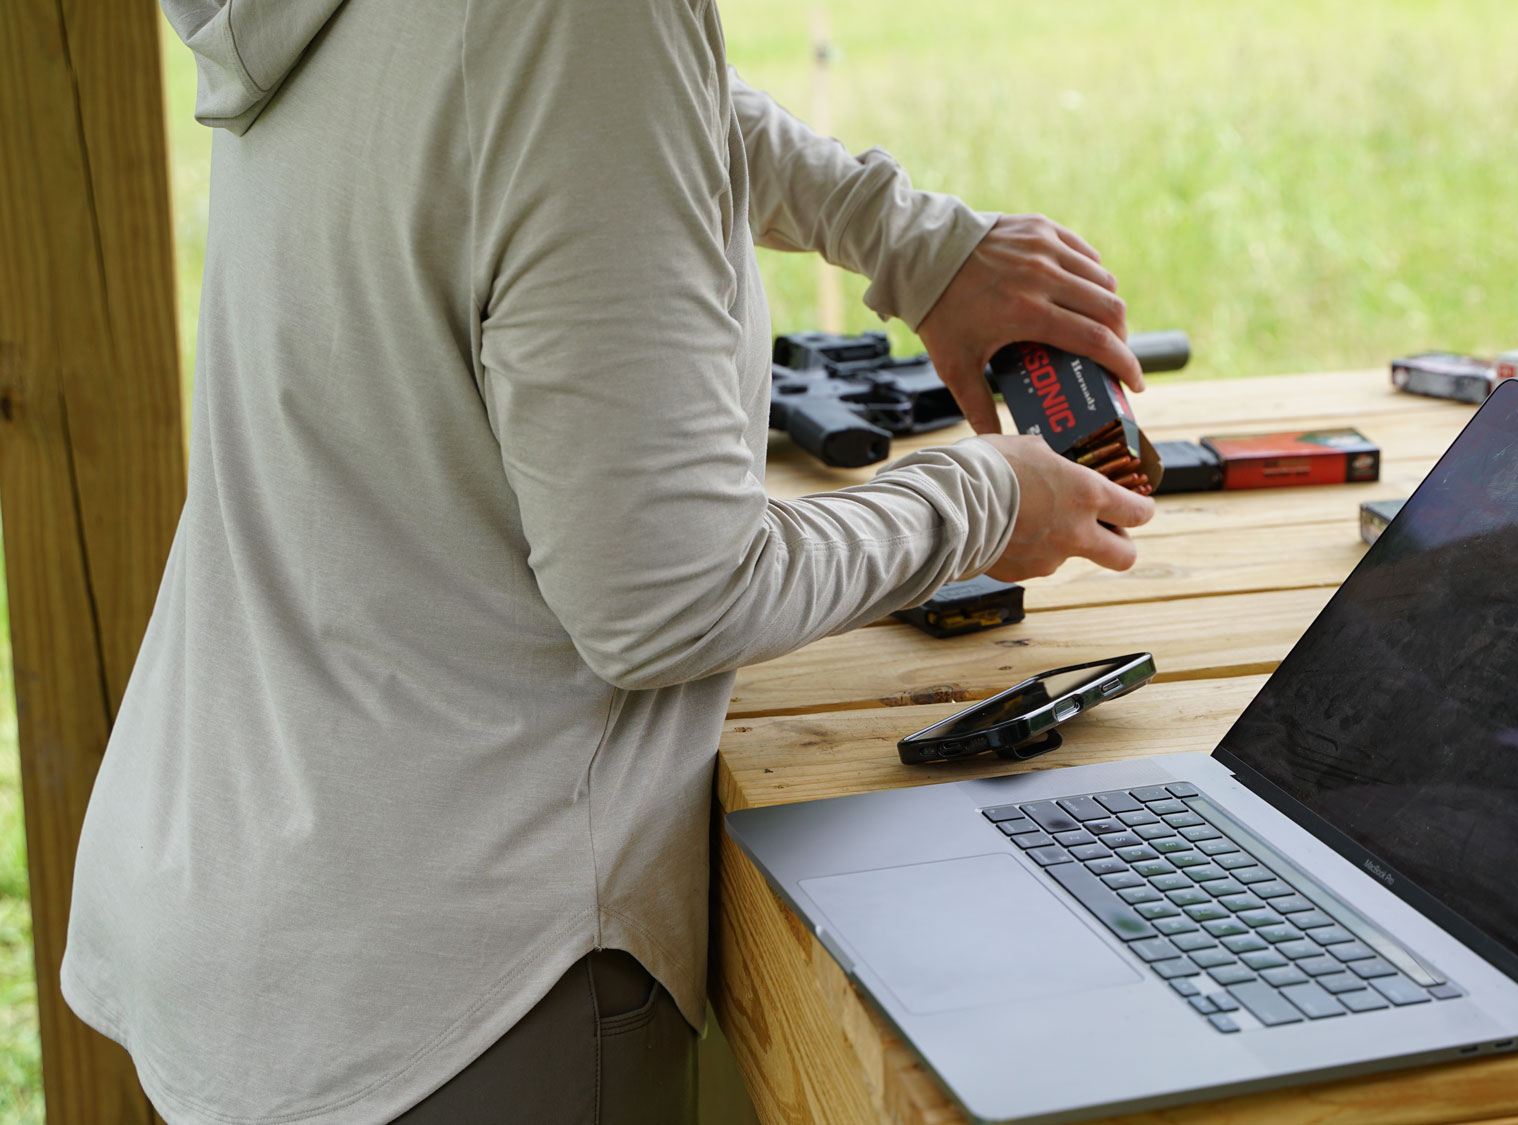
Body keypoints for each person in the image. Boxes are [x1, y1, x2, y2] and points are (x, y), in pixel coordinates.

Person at [63, 1, 1154, 1121]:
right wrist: (982, 499)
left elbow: (596, 116)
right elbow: (668, 601)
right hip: (467, 996)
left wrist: (912, 240)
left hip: (239, 883)